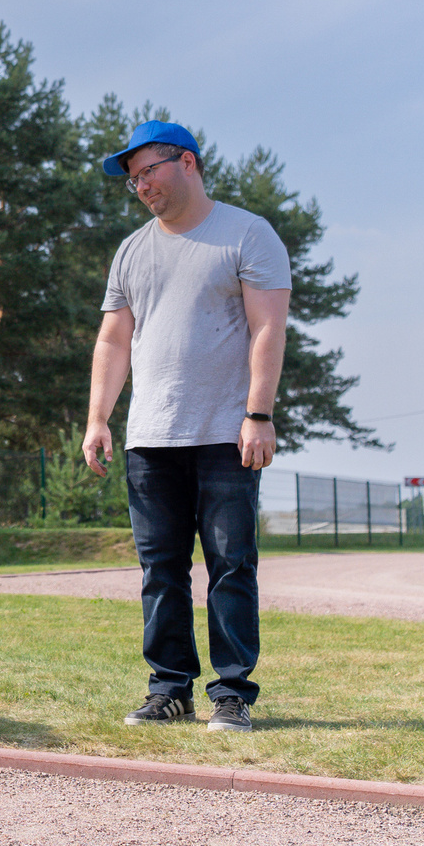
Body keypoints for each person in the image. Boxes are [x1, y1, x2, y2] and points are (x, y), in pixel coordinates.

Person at [82, 119, 291, 735]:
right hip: (151, 438)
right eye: (132, 178)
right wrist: (99, 417)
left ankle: (231, 694)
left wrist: (259, 414)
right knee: (161, 570)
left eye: (150, 170)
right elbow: (113, 339)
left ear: (189, 163)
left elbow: (268, 329)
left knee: (231, 565)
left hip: (227, 435)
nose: (141, 185)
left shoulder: (247, 234)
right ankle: (170, 689)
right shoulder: (132, 250)